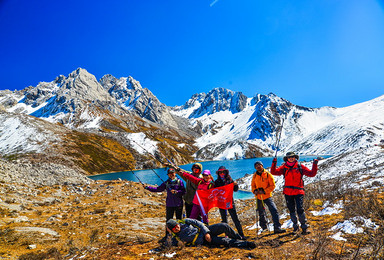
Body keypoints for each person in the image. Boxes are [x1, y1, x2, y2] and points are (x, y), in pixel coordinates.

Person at [271, 152, 318, 235]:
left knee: (300, 209)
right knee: (292, 210)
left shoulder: (300, 167)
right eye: (289, 157)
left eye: (292, 157)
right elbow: (274, 172)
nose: (291, 158)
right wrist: (274, 162)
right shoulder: (284, 167)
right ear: (287, 159)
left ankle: (304, 228)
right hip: (288, 192)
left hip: (298, 191)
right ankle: (295, 228)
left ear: (295, 158)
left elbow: (312, 174)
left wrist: (314, 164)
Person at [144, 168, 186, 237]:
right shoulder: (166, 183)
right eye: (170, 174)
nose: (171, 175)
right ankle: (168, 236)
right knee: (168, 221)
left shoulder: (179, 182)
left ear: (175, 173)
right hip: (169, 204)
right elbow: (158, 189)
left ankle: (180, 235)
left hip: (179, 204)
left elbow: (184, 191)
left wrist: (177, 192)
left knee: (179, 220)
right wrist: (147, 187)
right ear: (168, 175)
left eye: (172, 173)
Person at [165, 218, 256, 249]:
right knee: (225, 241)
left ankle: (239, 238)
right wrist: (169, 234)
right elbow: (167, 245)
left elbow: (199, 223)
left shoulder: (184, 221)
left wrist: (206, 232)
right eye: (174, 228)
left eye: (176, 225)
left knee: (224, 226)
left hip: (206, 231)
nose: (177, 228)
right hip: (204, 240)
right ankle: (246, 244)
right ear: (172, 230)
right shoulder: (175, 237)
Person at [251, 161, 285, 234]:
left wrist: (264, 191)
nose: (258, 166)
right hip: (259, 197)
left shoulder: (268, 174)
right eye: (256, 166)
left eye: (259, 165)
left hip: (267, 196)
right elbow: (253, 185)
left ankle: (277, 227)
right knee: (261, 213)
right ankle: (264, 227)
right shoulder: (255, 176)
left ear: (262, 165)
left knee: (274, 210)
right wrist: (254, 191)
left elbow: (272, 186)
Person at [214, 166, 246, 240]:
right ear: (218, 173)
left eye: (223, 172)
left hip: (229, 202)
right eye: (220, 172)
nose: (222, 173)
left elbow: (235, 190)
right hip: (221, 202)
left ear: (226, 172)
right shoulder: (216, 182)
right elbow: (215, 192)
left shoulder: (230, 180)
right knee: (224, 220)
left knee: (235, 219)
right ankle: (227, 235)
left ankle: (241, 234)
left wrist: (235, 185)